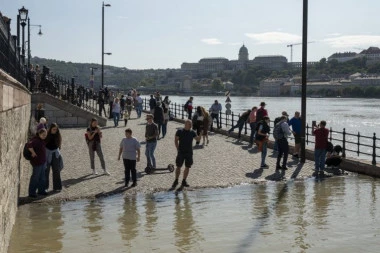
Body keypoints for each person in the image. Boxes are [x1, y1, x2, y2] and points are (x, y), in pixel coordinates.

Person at [171, 120, 201, 188]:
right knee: (178, 167)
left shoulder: (192, 132)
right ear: (185, 124)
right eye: (189, 124)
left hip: (189, 153)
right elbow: (176, 140)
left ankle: (184, 180)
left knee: (187, 167)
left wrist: (201, 133)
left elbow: (198, 140)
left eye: (191, 124)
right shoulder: (180, 131)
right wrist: (178, 149)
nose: (190, 125)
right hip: (181, 152)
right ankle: (176, 180)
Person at [27, 125, 48, 198]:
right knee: (35, 177)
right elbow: (29, 145)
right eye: (43, 135)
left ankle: (41, 191)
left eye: (45, 135)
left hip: (42, 161)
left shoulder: (41, 140)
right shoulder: (35, 140)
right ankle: (32, 193)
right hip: (37, 162)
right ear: (39, 134)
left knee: (42, 177)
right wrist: (33, 152)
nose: (44, 136)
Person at [45, 123, 63, 192]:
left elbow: (59, 144)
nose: (55, 131)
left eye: (56, 129)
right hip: (47, 154)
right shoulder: (47, 135)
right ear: (51, 129)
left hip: (55, 154)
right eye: (53, 129)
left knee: (56, 170)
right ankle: (45, 187)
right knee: (46, 171)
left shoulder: (58, 135)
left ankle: (57, 187)